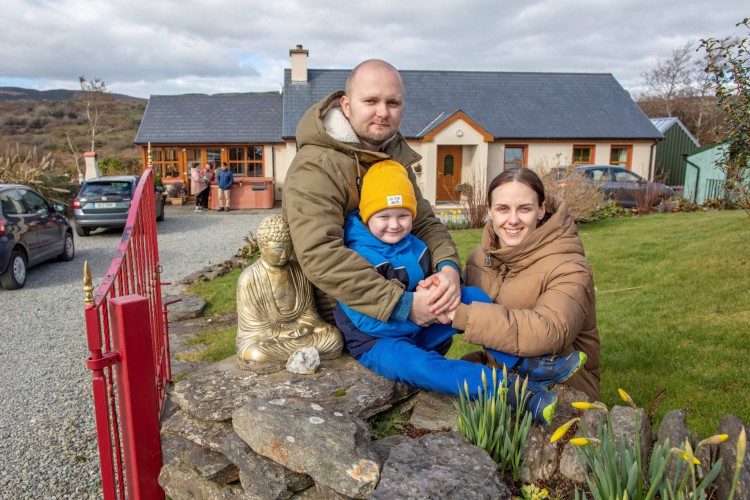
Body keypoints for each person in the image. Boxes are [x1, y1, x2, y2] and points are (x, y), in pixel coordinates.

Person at [333, 161, 585, 425]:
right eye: (383, 216)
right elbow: (366, 321)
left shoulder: (414, 245)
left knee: (471, 296)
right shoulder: (357, 257)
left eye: (403, 215)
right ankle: (507, 391)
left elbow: (426, 285)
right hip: (377, 341)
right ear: (366, 216)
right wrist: (423, 314)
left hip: (417, 325)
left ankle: (522, 364)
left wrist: (436, 288)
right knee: (425, 366)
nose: (394, 225)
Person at [282, 59, 461, 336]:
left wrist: (448, 270)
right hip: (354, 320)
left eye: (393, 103)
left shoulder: (394, 157)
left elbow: (425, 223)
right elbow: (320, 253)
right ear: (346, 105)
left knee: (479, 301)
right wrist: (404, 305)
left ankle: (521, 372)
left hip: (414, 294)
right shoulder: (316, 165)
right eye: (371, 101)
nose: (383, 112)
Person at [447, 168, 601, 401]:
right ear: (489, 211)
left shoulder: (569, 266)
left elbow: (549, 330)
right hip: (503, 376)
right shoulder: (480, 258)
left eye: (525, 209)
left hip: (562, 388)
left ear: (541, 210)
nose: (513, 219)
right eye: (502, 209)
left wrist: (461, 315)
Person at [236, 215, 344, 373]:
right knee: (255, 353)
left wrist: (305, 326)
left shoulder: (298, 271)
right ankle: (303, 354)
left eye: (289, 248)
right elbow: (252, 328)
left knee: (334, 337)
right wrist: (282, 332)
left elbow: (309, 311)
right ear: (263, 246)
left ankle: (304, 352)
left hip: (301, 332)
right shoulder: (249, 279)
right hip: (268, 339)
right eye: (279, 250)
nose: (285, 255)